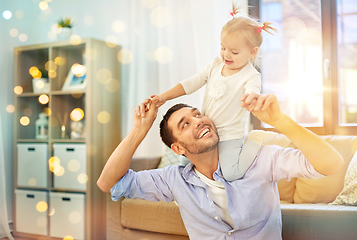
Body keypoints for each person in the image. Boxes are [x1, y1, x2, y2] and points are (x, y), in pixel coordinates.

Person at [97, 93, 344, 240]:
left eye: (197, 114)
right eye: (185, 124)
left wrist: (279, 121)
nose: (199, 121)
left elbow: (332, 164)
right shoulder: (174, 179)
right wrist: (139, 130)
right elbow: (108, 184)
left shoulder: (259, 158)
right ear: (178, 149)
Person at [144, 5, 277, 181]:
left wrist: (251, 98)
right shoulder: (215, 65)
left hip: (229, 135)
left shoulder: (251, 76)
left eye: (234, 52)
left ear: (252, 52)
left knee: (231, 173)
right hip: (208, 131)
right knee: (194, 169)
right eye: (223, 48)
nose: (226, 55)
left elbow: (253, 91)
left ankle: (256, 138)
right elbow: (191, 83)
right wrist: (164, 96)